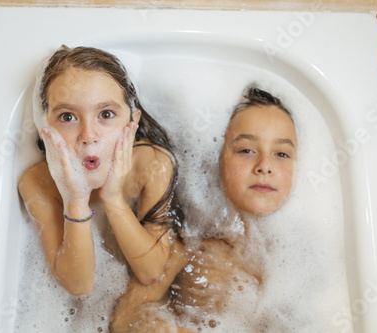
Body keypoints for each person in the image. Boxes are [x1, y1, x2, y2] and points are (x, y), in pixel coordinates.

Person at [110, 84, 297, 332]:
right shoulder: (186, 240)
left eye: (282, 154)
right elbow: (127, 319)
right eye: (247, 150)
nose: (265, 165)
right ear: (216, 158)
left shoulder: (302, 253)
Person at [18, 46, 187, 297]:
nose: (89, 136)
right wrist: (75, 200)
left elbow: (151, 272)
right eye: (67, 117)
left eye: (106, 114)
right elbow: (78, 286)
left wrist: (113, 197)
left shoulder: (151, 163)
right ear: (45, 127)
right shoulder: (38, 182)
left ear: (131, 122)